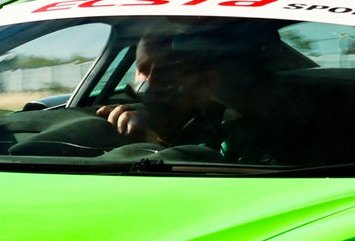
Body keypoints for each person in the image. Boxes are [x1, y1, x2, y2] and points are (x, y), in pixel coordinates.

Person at [96, 23, 284, 161]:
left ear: (205, 79)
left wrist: (153, 142)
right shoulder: (126, 115)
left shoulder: (240, 132)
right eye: (143, 69)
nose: (151, 81)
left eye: (167, 70)